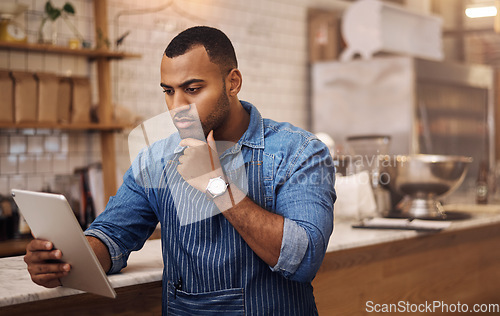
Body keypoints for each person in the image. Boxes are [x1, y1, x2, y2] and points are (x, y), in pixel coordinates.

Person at [24, 26, 336, 315]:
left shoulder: (299, 152)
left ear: (233, 82)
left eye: (192, 89)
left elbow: (304, 258)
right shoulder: (156, 160)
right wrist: (63, 261)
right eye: (169, 91)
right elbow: (112, 237)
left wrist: (217, 184)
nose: (178, 106)